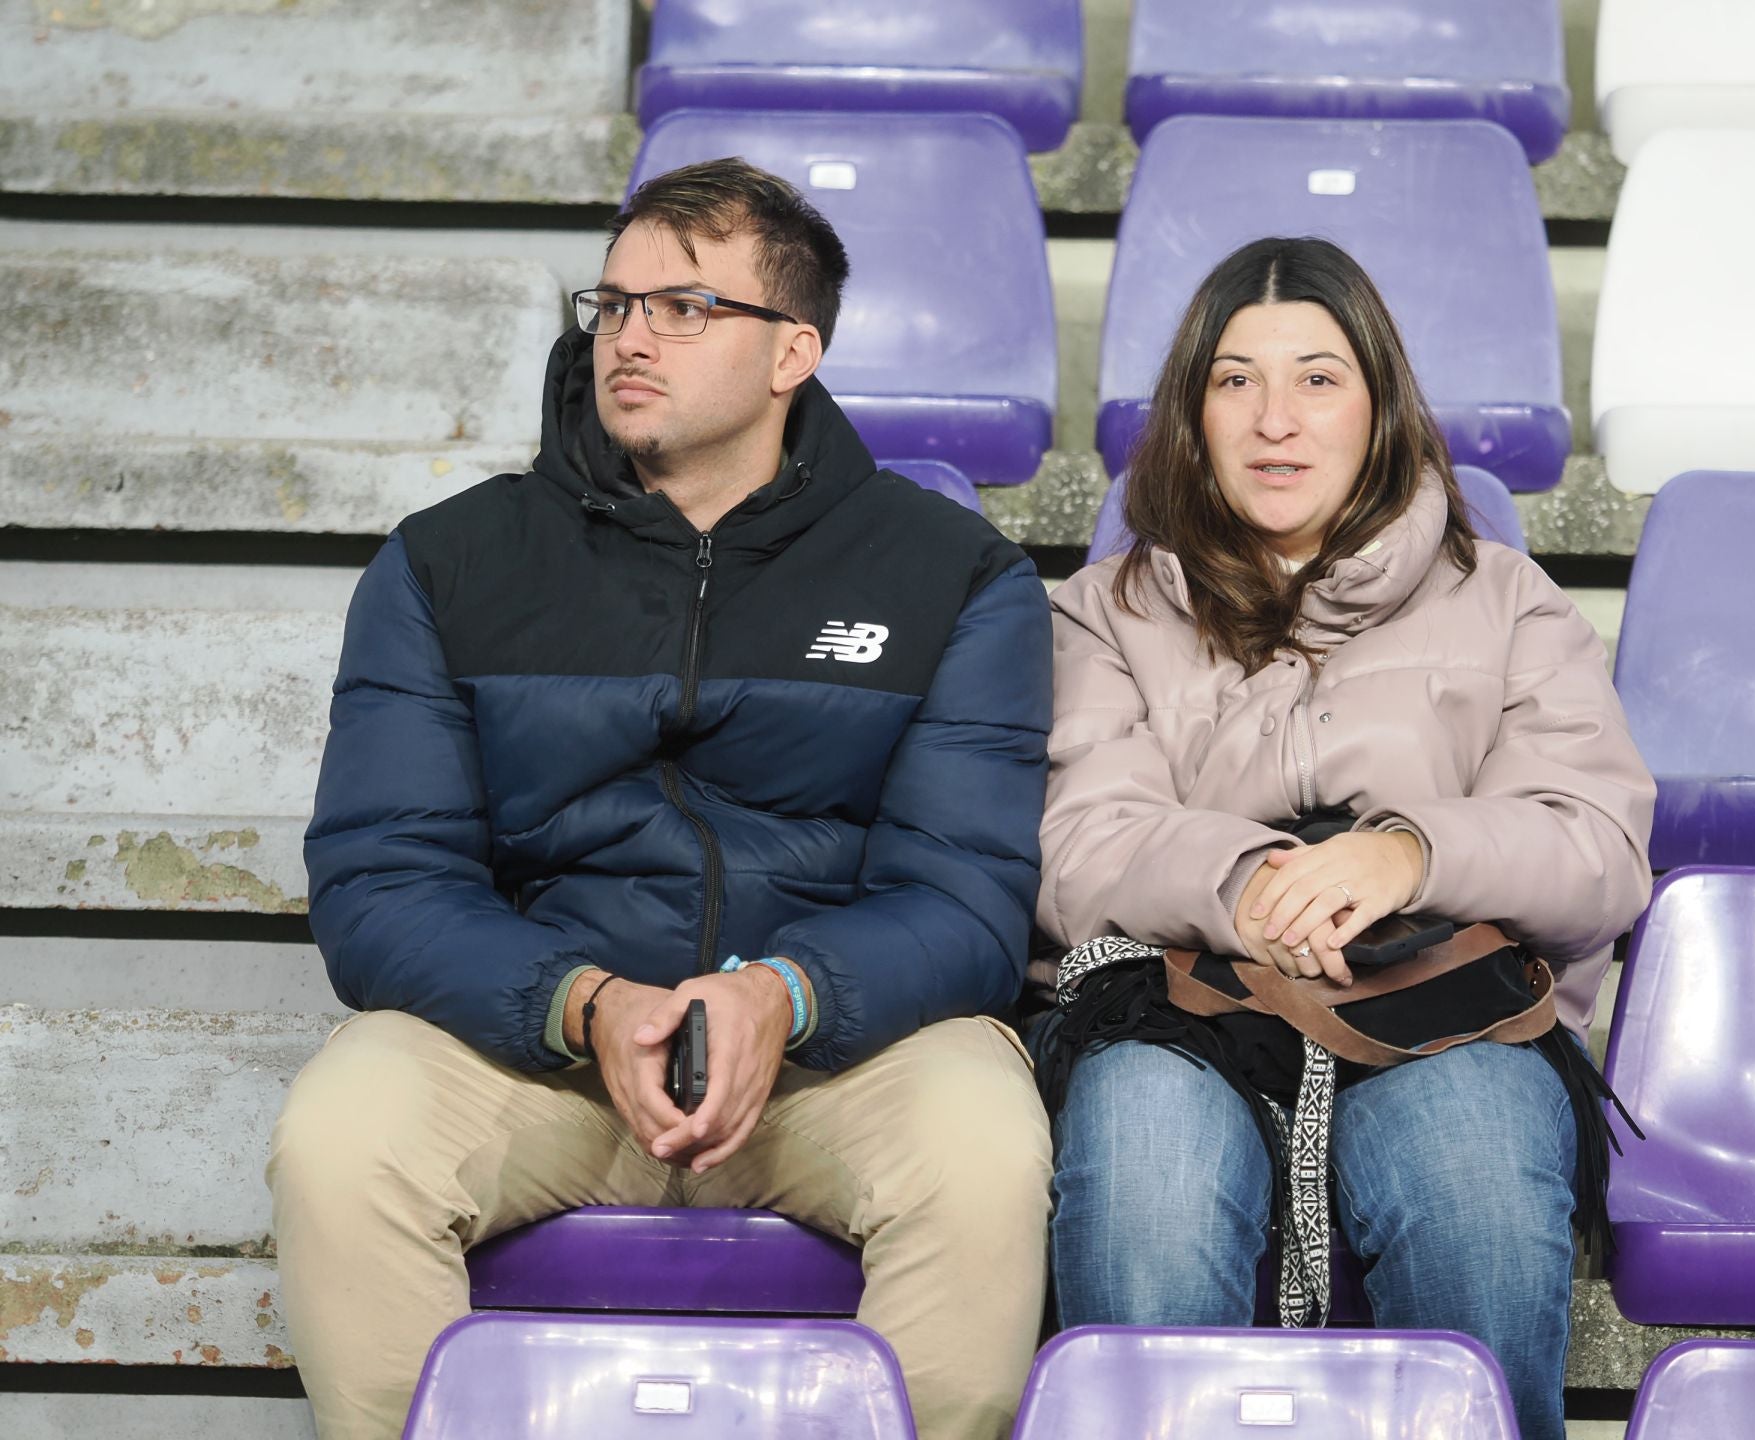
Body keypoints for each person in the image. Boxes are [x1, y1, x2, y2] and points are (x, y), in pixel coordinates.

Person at [268, 158, 1054, 1440]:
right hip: (543, 1051)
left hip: (827, 1057)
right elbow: (380, 884)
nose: (629, 338)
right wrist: (581, 1004)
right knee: (341, 1139)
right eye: (615, 305)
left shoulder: (954, 576)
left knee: (983, 1153)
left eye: (685, 308)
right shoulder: (448, 561)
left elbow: (965, 902)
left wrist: (780, 995)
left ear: (794, 349)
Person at [1036, 236, 1655, 1440]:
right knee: (1146, 1179)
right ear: (1191, 416)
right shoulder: (1102, 611)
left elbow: (1593, 849)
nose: (1275, 418)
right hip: (1182, 1003)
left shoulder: (1507, 596)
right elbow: (1081, 846)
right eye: (1234, 381)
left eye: (1318, 378)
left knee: (1471, 1175)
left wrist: (1408, 854)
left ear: (1380, 407)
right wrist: (1254, 878)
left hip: (1447, 1001)